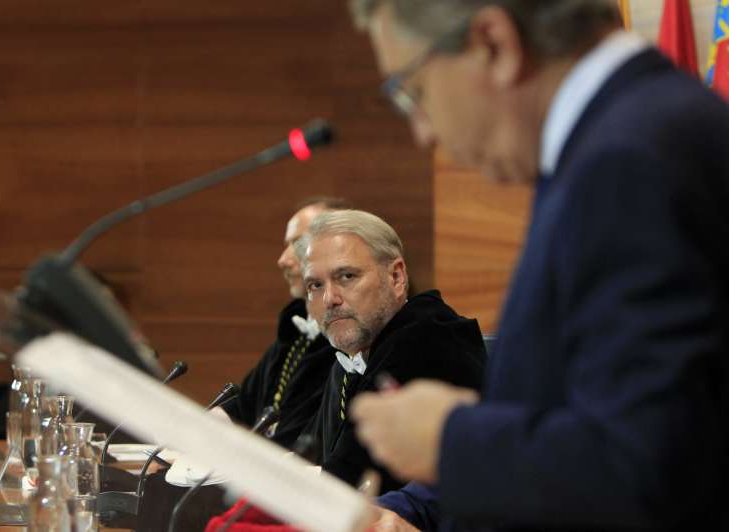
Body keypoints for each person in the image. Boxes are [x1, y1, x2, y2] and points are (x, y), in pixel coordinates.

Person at [348, 1, 729, 531]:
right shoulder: (630, 137)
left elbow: (648, 468)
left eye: (414, 91)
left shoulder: (628, 162)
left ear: (494, 44)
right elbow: (590, 411)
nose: (424, 134)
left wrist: (451, 439)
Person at [295, 209, 486, 494]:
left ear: (396, 277)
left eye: (347, 276)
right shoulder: (349, 359)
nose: (329, 299)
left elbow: (347, 482)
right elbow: (313, 454)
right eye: (315, 285)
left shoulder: (428, 339)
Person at [218, 196, 350, 449]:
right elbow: (242, 406)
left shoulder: (350, 336)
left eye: (298, 244)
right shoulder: (295, 327)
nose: (283, 260)